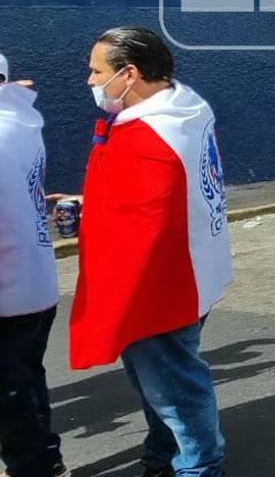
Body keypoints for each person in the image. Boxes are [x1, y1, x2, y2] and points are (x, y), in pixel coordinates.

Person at [71, 27, 231, 476]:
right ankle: (164, 456)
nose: (89, 81)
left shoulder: (148, 138)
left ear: (129, 73)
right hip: (195, 268)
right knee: (161, 381)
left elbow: (144, 225)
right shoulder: (186, 107)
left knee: (175, 387)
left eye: (96, 71)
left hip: (159, 288)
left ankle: (199, 466)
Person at [0, 58, 69, 477]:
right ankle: (44, 456)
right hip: (31, 279)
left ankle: (33, 466)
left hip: (10, 286)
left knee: (11, 389)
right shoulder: (19, 120)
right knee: (25, 377)